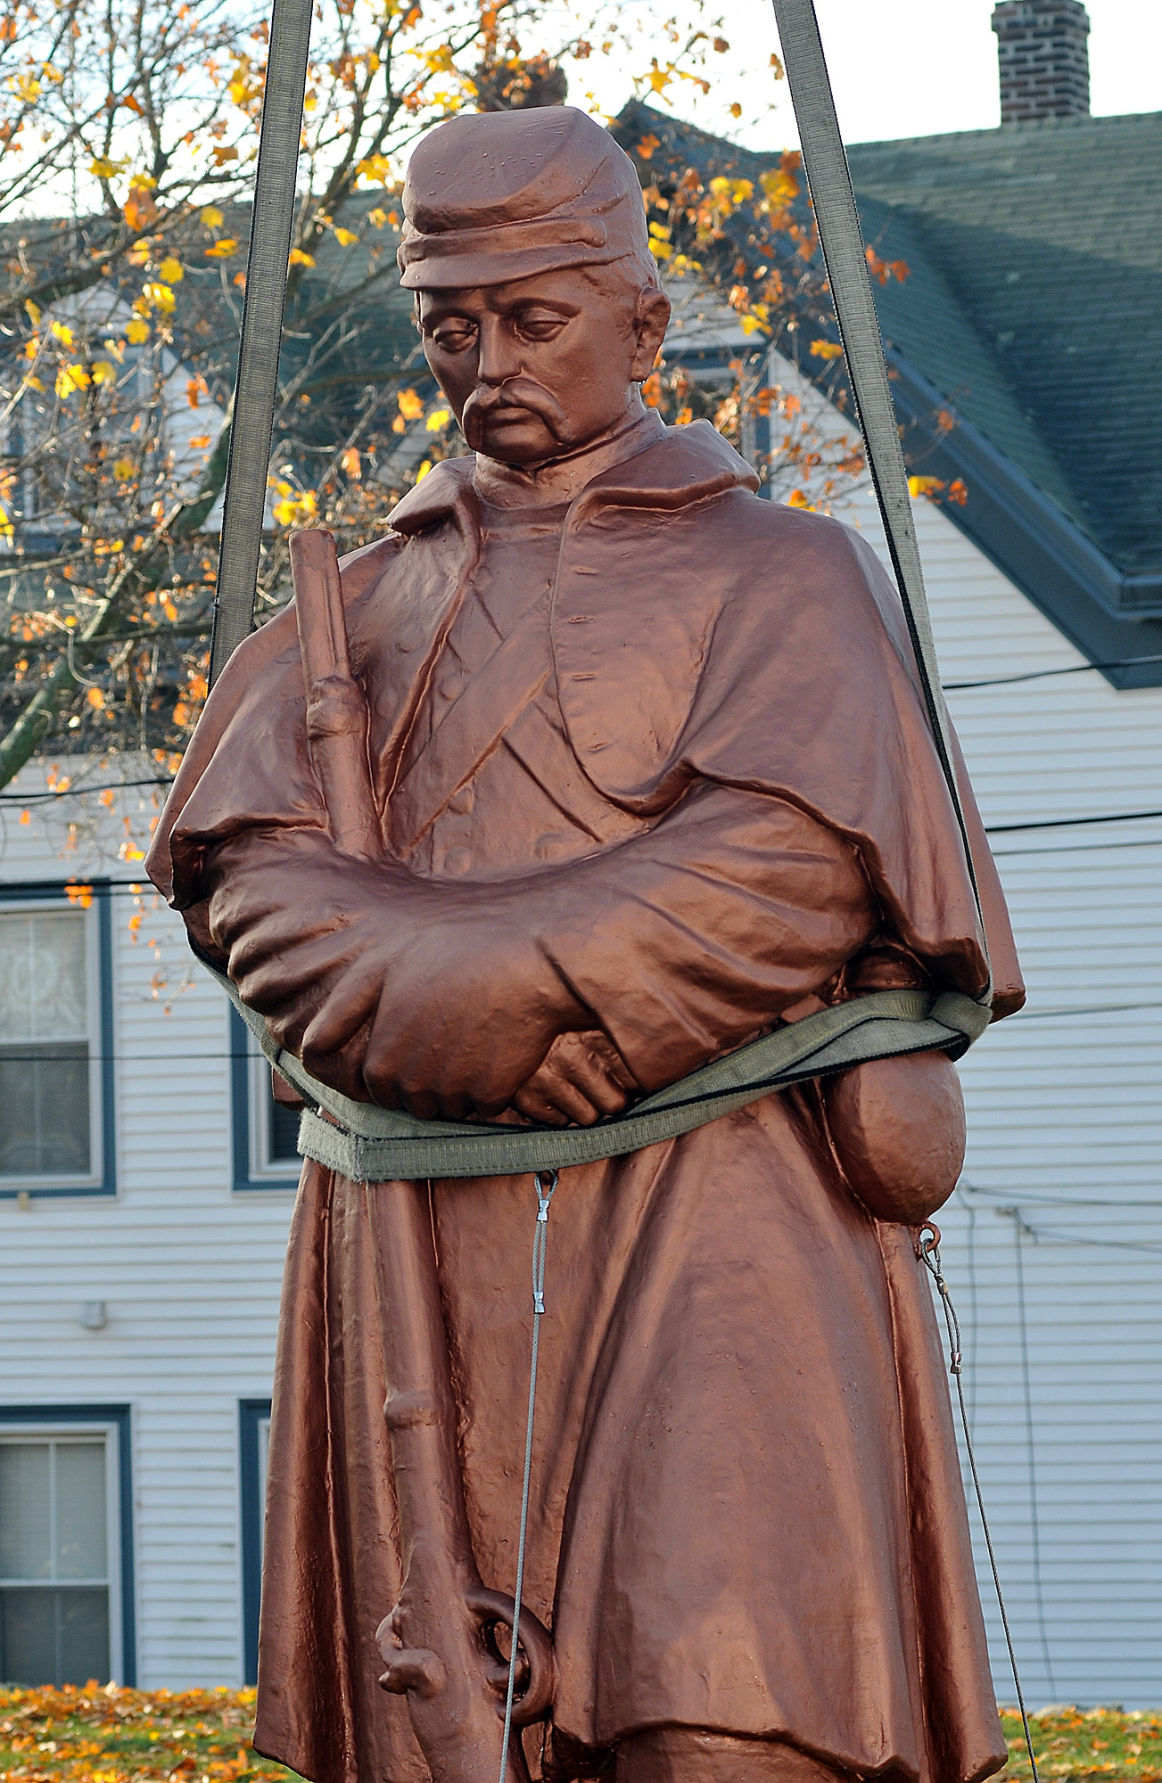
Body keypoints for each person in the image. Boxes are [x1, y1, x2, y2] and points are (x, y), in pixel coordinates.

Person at [148, 104, 1024, 1783]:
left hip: (722, 1219)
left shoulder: (784, 580)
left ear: (639, 320)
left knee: (728, 1702)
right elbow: (253, 887)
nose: (486, 367)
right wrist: (406, 995)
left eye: (533, 319)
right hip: (415, 1227)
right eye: (449, 328)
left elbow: (777, 877)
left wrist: (439, 981)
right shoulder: (354, 617)